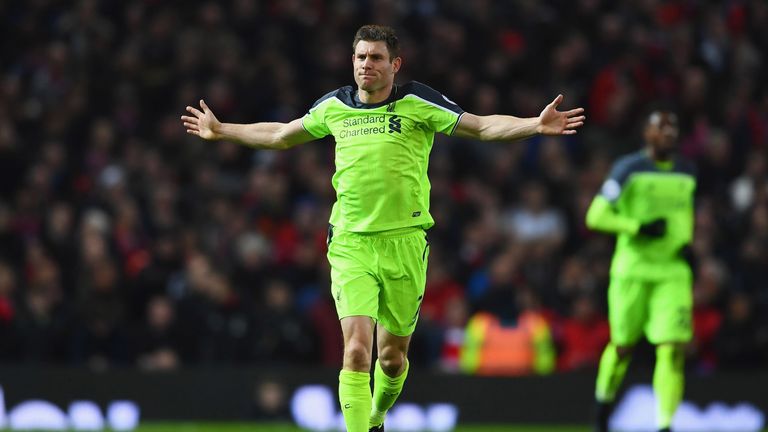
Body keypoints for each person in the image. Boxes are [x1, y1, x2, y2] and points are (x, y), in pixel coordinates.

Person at [182, 24, 585, 432]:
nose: (366, 65)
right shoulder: (335, 106)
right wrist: (221, 130)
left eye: (376, 58)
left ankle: (377, 417)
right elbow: (282, 134)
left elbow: (480, 126)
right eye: (360, 57)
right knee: (357, 350)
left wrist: (534, 124)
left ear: (395, 64)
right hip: (351, 243)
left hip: (405, 244)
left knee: (391, 359)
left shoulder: (416, 101)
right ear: (352, 62)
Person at [586, 111, 696, 432]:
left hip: (672, 271)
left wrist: (686, 241)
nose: (669, 135)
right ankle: (602, 410)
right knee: (621, 347)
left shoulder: (688, 171)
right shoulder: (628, 169)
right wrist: (637, 227)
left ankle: (665, 425)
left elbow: (684, 213)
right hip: (632, 269)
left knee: (672, 348)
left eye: (673, 129)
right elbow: (596, 215)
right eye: (661, 129)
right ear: (646, 134)